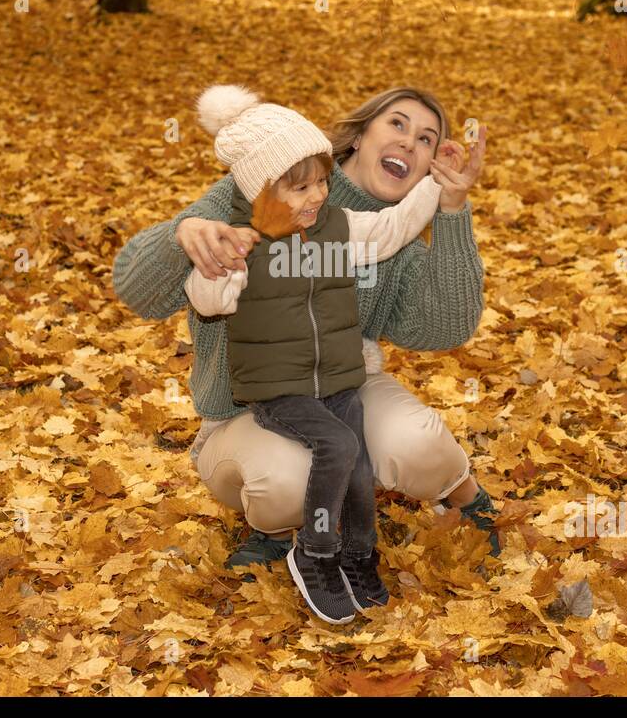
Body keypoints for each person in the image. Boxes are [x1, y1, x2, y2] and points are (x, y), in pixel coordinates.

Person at [111, 86, 497, 569]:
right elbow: (136, 291)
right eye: (396, 124)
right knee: (286, 479)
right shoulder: (266, 185)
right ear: (359, 136)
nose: (408, 143)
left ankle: (466, 499)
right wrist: (180, 235)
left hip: (343, 390)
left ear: (428, 167)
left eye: (425, 139)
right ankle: (277, 528)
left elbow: (446, 328)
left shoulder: (393, 237)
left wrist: (453, 206)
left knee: (415, 441)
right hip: (245, 407)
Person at [182, 84, 449, 624]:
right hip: (278, 386)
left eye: (322, 182)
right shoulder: (242, 243)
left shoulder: (335, 226)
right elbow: (204, 300)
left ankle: (358, 554)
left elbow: (392, 229)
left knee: (359, 461)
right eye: (299, 187)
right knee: (336, 444)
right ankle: (316, 552)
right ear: (262, 190)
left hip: (339, 376)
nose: (316, 197)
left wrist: (438, 184)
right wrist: (221, 274)